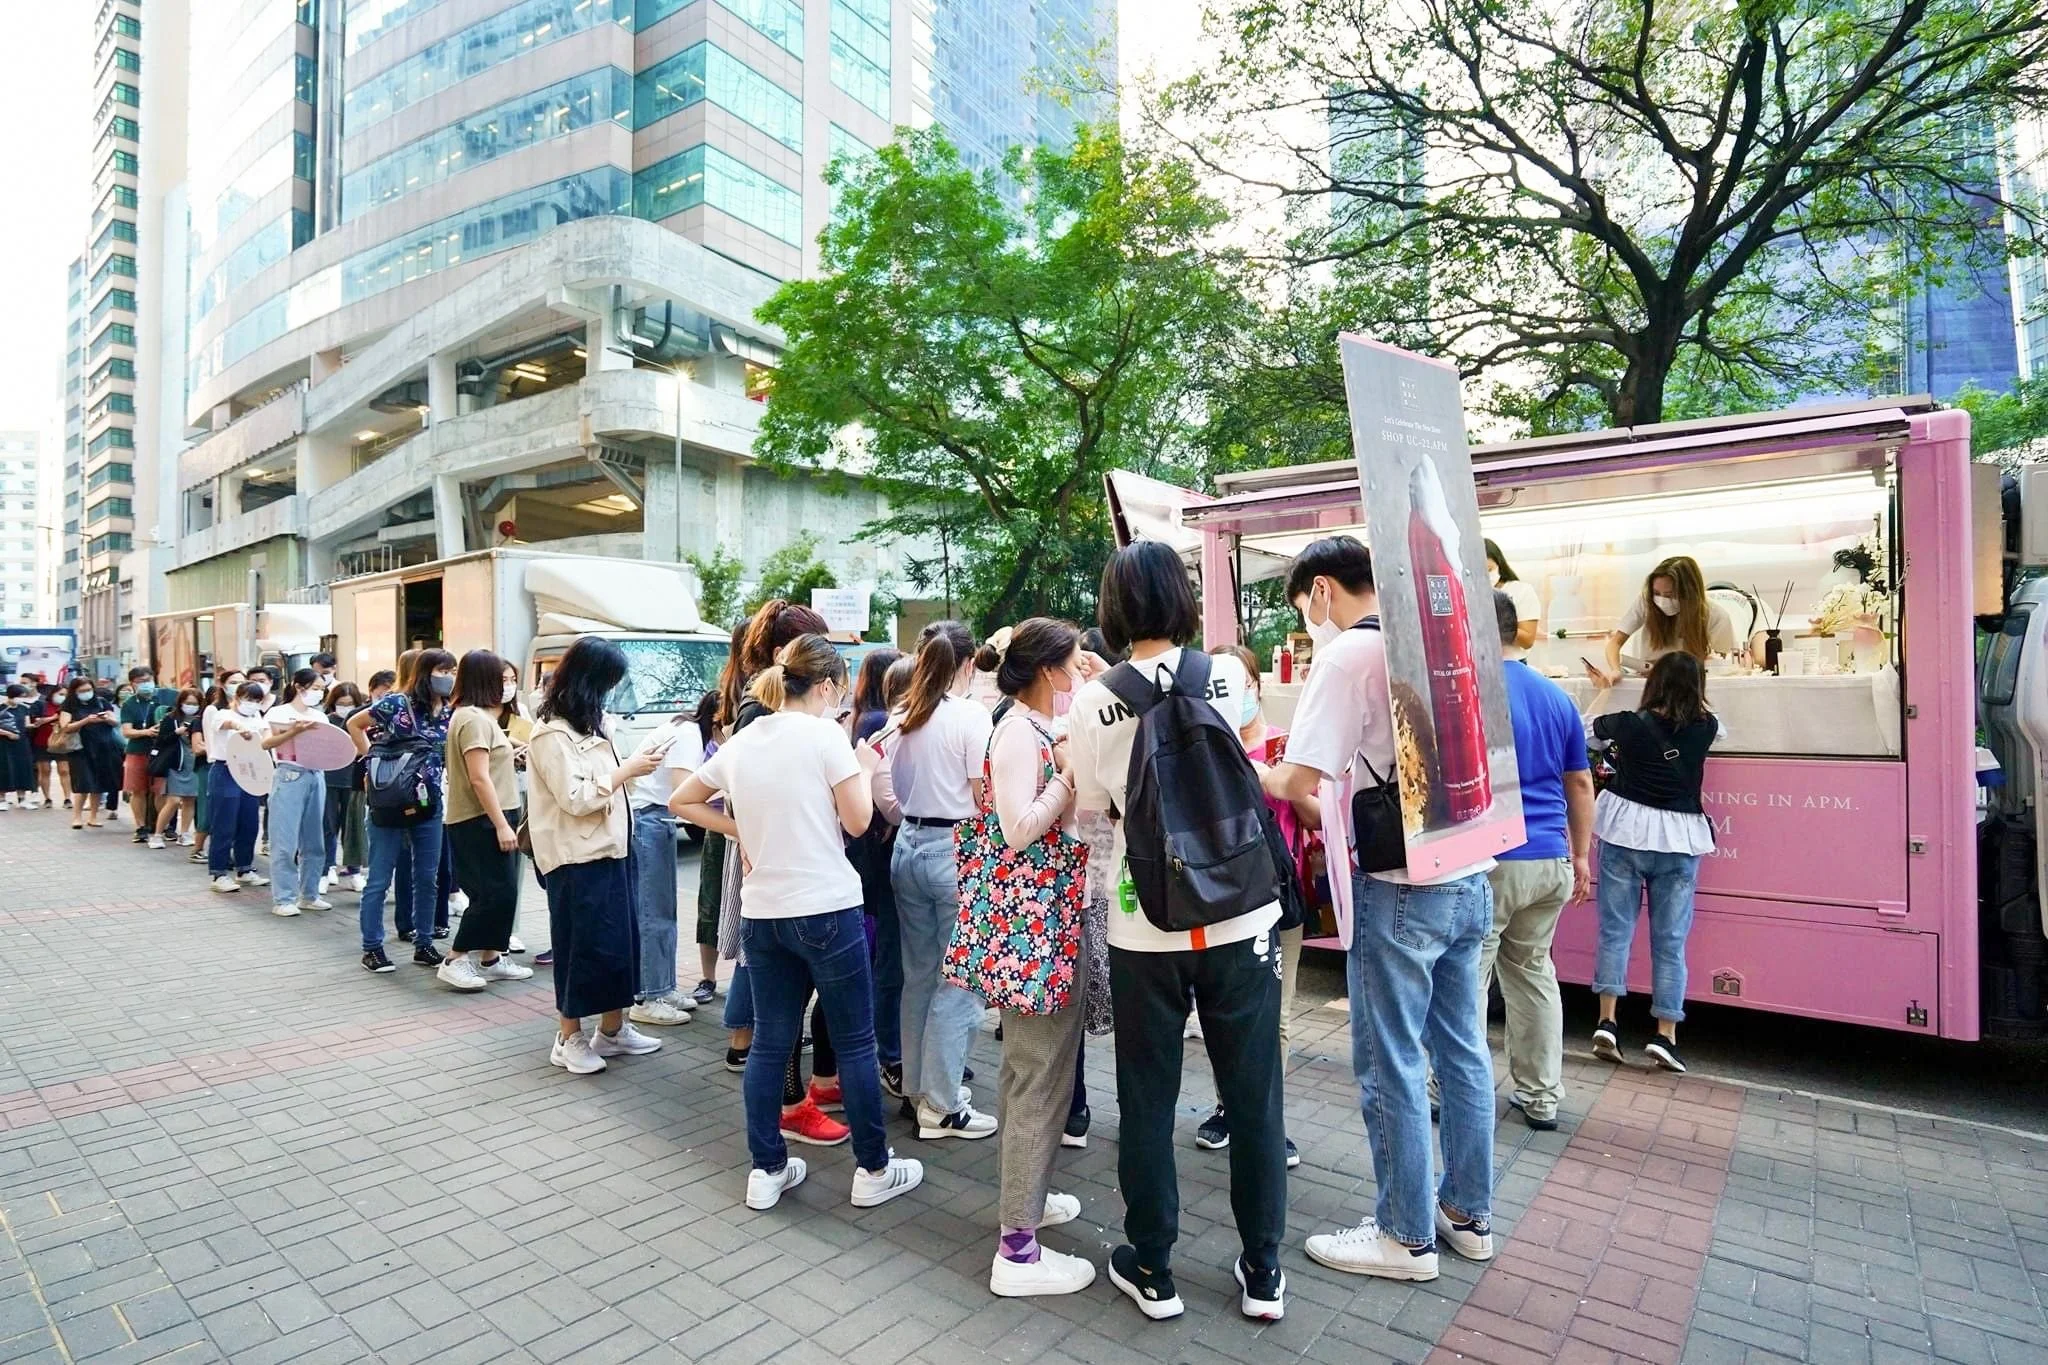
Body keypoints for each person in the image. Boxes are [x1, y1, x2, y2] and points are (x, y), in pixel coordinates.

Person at [1262, 536, 1495, 1284]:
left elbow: (1298, 778)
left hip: (1398, 883)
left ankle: (1404, 1235)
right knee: (1462, 1050)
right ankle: (1468, 1215)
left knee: (1390, 1058)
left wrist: (1247, 761)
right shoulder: (1438, 634)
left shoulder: (1347, 656)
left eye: (1303, 606)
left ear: (1322, 590)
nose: (1308, 622)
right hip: (1470, 867)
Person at [1066, 540, 1287, 1323]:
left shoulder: (1092, 702)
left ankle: (1153, 1265)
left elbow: (1094, 817)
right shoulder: (1227, 675)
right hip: (1241, 912)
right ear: (1184, 600)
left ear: (1114, 608)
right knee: (1254, 1097)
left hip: (1145, 924)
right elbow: (1252, 766)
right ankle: (1264, 1268)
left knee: (1148, 1098)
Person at [670, 635, 924, 1212]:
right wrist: (863, 767)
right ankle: (873, 1169)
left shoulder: (743, 740)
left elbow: (682, 800)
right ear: (828, 686)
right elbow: (858, 822)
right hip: (827, 907)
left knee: (770, 1043)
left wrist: (742, 831)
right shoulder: (826, 736)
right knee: (855, 1042)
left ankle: (766, 1169)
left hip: (764, 914)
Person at [970, 619, 1098, 1298]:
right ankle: (1017, 1247)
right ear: (1048, 670)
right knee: (1038, 1074)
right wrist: (1067, 782)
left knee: (1035, 1069)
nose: (1080, 673)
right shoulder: (1019, 732)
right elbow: (1018, 828)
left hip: (1044, 922)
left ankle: (1028, 1199)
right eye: (1074, 663)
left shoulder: (1034, 726)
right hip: (1038, 927)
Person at [1194, 644, 1312, 1169]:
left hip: (1278, 896)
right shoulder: (1204, 744)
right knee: (1223, 1012)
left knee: (1276, 1017)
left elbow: (1314, 815)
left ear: (1255, 687)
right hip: (1222, 899)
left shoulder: (1284, 745)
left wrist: (1274, 777)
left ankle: (1267, 1122)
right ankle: (1228, 1107)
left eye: (1237, 682)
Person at [526, 636, 667, 1074]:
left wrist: (634, 765)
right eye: (607, 684)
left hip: (612, 850)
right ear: (589, 682)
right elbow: (575, 798)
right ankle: (567, 1036)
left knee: (617, 947)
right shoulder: (551, 734)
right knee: (579, 949)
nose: (611, 692)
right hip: (575, 860)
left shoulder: (594, 725)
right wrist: (627, 770)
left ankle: (612, 1029)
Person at [1482, 589, 1594, 1130]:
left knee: (1467, 979)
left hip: (1492, 860)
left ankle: (1446, 1088)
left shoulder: (1471, 691)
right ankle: (1541, 1095)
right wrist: (1581, 855)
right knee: (1532, 976)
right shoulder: (1557, 697)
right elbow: (1580, 782)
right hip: (1551, 858)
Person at [884, 620, 998, 1140]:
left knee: (920, 977)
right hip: (956, 850)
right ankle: (943, 1104)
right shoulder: (971, 716)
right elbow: (983, 795)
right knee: (958, 983)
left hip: (908, 843)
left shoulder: (902, 714)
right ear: (969, 663)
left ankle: (918, 1090)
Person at [1588, 649, 1721, 1075]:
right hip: (1680, 841)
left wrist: (1604, 690)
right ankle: (1665, 1035)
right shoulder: (1707, 727)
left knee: (1615, 932)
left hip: (1625, 835)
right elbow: (1720, 727)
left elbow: (1586, 733)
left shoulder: (1628, 723)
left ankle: (1607, 1023)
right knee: (1670, 942)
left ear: (1654, 683)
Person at [349, 649, 456, 972]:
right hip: (389, 799)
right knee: (379, 878)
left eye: (452, 671)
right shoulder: (397, 703)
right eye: (442, 670)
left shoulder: (449, 709)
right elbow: (355, 723)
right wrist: (369, 760)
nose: (449, 677)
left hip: (428, 800)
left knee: (427, 876)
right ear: (425, 672)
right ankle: (372, 948)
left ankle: (424, 943)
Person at [435, 649, 535, 992]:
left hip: (493, 813)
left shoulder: (478, 717)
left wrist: (511, 750)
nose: (506, 685)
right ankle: (455, 959)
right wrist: (502, 824)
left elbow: (489, 761)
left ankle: (492, 957)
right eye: (500, 678)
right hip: (479, 818)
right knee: (491, 894)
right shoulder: (473, 718)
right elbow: (478, 778)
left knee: (502, 891)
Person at [623, 704, 705, 1026]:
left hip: (657, 818)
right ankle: (647, 997)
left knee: (663, 910)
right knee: (653, 912)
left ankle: (663, 987)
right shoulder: (689, 734)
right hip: (648, 819)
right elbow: (683, 789)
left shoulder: (685, 729)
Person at [845, 647, 904, 1084]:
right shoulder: (879, 721)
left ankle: (888, 1047)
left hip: (869, 846)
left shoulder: (862, 717)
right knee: (888, 953)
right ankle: (889, 1051)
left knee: (883, 947)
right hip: (879, 847)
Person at [1591, 554, 1735, 687]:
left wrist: (1668, 670)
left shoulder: (1716, 617)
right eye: (1656, 593)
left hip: (1690, 686)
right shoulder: (1646, 602)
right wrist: (1615, 670)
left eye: (1669, 595)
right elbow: (1615, 643)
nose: (1661, 600)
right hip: (1650, 684)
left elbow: (1720, 665)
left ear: (1689, 593)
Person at [264, 669, 337, 917]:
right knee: (285, 841)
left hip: (316, 774)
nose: (319, 693)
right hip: (289, 774)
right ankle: (284, 897)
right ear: (298, 686)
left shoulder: (320, 716)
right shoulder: (278, 713)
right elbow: (266, 743)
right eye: (315, 688)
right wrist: (293, 732)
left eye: (322, 689)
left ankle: (310, 894)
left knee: (315, 840)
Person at [203, 681, 271, 890]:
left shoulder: (256, 716)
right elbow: (225, 724)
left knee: (249, 822)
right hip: (225, 770)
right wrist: (239, 727)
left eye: (257, 700)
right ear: (237, 697)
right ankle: (219, 873)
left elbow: (266, 734)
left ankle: (245, 868)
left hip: (249, 772)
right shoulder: (222, 714)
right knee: (224, 823)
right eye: (248, 699)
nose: (252, 704)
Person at [688, 689, 726, 1007]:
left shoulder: (741, 740)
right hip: (718, 832)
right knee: (710, 905)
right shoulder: (703, 746)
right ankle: (708, 978)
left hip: (745, 830)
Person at [321, 684, 369, 894]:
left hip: (353, 780)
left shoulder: (363, 720)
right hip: (329, 778)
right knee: (328, 826)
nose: (345, 707)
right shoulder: (326, 721)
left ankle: (354, 871)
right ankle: (326, 869)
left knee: (353, 829)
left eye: (350, 704)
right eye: (341, 703)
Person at [60, 677, 124, 830]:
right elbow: (66, 727)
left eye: (89, 690)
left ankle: (93, 817)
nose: (86, 693)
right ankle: (77, 817)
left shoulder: (101, 702)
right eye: (82, 691)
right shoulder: (69, 705)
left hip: (104, 747)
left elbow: (115, 722)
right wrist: (86, 721)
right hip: (81, 749)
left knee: (99, 783)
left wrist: (107, 719)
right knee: (83, 783)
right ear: (74, 692)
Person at [149, 688, 206, 849]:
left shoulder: (202, 720)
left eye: (195, 703)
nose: (191, 706)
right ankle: (157, 834)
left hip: (194, 763)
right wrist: (176, 732)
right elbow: (161, 741)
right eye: (188, 703)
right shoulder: (170, 718)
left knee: (190, 800)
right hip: (176, 764)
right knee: (173, 800)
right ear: (180, 703)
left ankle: (185, 833)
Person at [119, 666, 164, 842]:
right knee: (137, 790)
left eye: (148, 680)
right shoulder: (129, 704)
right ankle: (140, 827)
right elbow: (127, 731)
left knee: (160, 790)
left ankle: (161, 826)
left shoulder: (163, 697)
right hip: (137, 751)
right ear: (132, 683)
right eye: (140, 681)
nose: (145, 684)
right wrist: (146, 732)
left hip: (161, 751)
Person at [1485, 539, 1541, 651]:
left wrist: (1498, 625)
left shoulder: (1521, 590)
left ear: (1499, 564)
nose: (1484, 576)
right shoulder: (1462, 595)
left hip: (1511, 660)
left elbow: (1527, 641)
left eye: (1489, 570)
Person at [29, 679, 65, 811]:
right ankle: (47, 798)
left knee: (64, 770)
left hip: (62, 743)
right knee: (45, 770)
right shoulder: (40, 704)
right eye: (61, 694)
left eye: (65, 694)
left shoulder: (69, 706)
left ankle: (67, 798)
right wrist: (54, 717)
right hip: (42, 742)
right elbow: (36, 721)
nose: (63, 697)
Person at [0, 684, 34, 808]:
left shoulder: (24, 708)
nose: (21, 699)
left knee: (22, 769)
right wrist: (8, 734)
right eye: (20, 696)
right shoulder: (2, 708)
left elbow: (26, 724)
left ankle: (22, 798)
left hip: (21, 743)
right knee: (5, 769)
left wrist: (37, 724)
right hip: (4, 744)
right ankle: (2, 799)